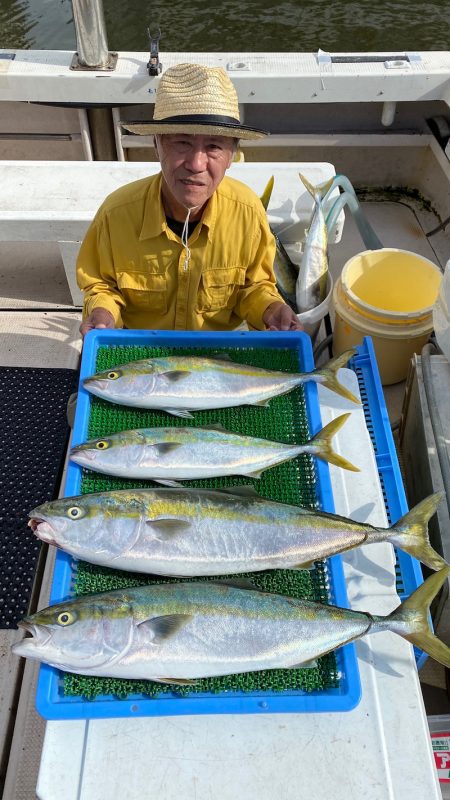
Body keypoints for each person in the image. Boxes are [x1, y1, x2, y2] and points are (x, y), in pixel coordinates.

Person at [77, 62, 303, 337]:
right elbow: (102, 286)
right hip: (143, 350)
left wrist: (270, 308)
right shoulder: (116, 213)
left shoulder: (248, 211)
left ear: (231, 155)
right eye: (182, 142)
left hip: (219, 351)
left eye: (214, 146)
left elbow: (253, 287)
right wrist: (102, 312)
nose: (196, 164)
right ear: (157, 145)